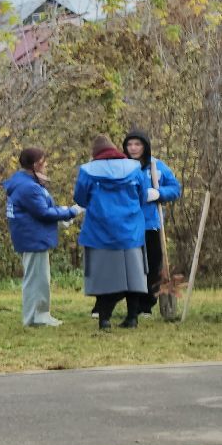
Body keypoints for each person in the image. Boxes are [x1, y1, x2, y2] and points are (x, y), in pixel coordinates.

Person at [74, 135, 157, 329]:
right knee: (133, 275)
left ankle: (104, 319)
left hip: (99, 232)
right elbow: (142, 196)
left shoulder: (87, 170)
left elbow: (80, 198)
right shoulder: (134, 167)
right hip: (130, 231)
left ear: (95, 153)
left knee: (104, 277)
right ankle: (132, 318)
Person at [2, 147, 82, 326]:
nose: (46, 165)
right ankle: (36, 317)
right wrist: (71, 212)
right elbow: (43, 212)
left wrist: (60, 213)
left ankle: (39, 315)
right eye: (44, 162)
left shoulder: (24, 182)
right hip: (33, 238)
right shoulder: (29, 187)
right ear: (36, 164)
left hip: (32, 236)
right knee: (37, 280)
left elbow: (41, 209)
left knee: (39, 278)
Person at [122, 131, 182, 316]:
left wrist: (159, 193)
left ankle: (147, 305)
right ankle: (132, 304)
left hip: (151, 223)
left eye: (137, 144)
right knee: (132, 265)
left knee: (153, 265)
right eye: (130, 144)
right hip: (127, 224)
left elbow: (175, 189)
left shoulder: (157, 166)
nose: (133, 148)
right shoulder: (122, 167)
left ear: (145, 146)